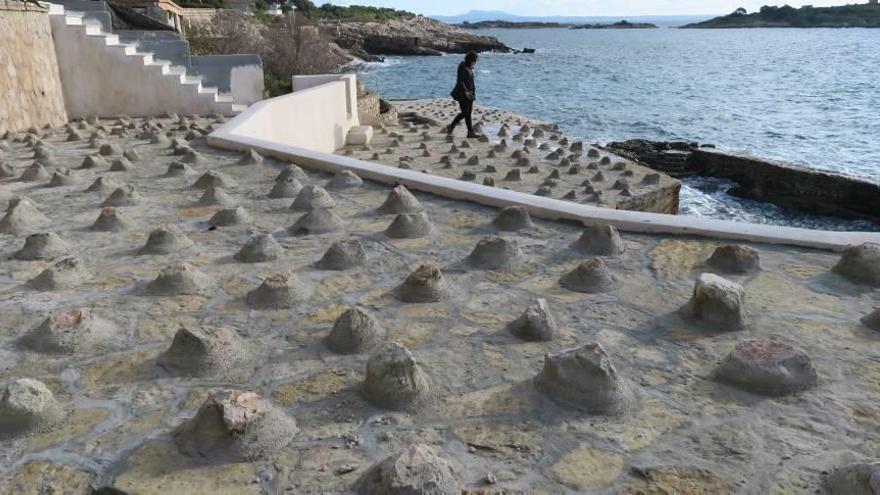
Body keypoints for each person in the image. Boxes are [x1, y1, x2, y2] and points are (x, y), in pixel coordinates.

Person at [446, 52, 479, 138]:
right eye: (474, 60)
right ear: (470, 60)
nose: (475, 62)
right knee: (465, 113)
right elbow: (460, 81)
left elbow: (471, 82)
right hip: (462, 93)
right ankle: (451, 126)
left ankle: (470, 132)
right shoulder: (462, 67)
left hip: (470, 93)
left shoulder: (469, 67)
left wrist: (472, 94)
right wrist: (466, 92)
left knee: (468, 114)